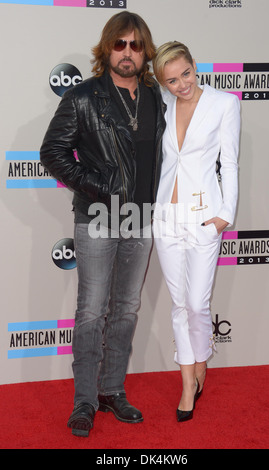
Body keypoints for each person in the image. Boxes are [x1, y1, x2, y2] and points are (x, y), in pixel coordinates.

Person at [40, 12, 165, 437]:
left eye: (135, 45)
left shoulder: (154, 97)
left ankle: (112, 391)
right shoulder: (82, 98)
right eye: (119, 44)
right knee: (91, 311)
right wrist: (98, 185)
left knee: (127, 309)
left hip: (142, 218)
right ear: (107, 47)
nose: (127, 53)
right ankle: (84, 401)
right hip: (97, 216)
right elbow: (52, 153)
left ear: (145, 50)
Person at [152, 42, 240, 422]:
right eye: (171, 80)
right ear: (163, 84)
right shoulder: (164, 108)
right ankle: (188, 382)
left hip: (204, 217)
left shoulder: (224, 103)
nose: (181, 85)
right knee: (177, 306)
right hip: (165, 216)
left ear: (194, 66)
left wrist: (224, 216)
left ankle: (200, 361)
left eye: (185, 73)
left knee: (197, 305)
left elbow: (231, 162)